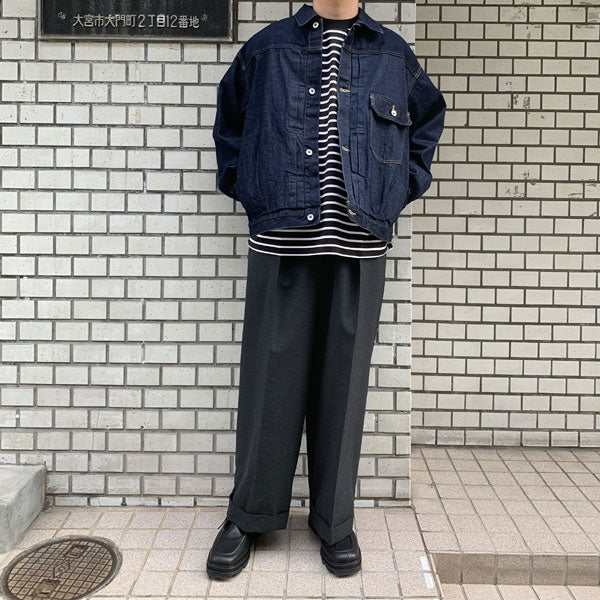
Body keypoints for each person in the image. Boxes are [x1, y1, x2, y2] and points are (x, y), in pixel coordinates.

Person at [208, 0, 446, 579]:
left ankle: (335, 522)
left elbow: (426, 123)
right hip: (282, 240)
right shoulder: (267, 48)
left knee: (344, 388)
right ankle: (249, 516)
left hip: (359, 245)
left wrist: (398, 188)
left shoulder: (393, 54)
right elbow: (230, 124)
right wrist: (252, 187)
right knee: (268, 384)